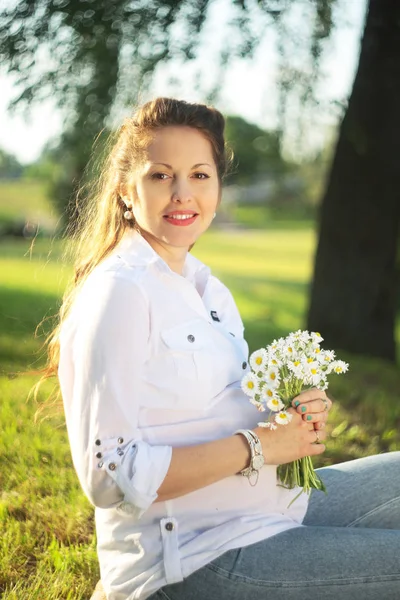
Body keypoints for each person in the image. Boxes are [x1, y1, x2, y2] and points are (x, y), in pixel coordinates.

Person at [42, 98, 400, 600]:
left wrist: (288, 414)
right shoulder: (120, 292)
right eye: (161, 176)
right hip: (197, 557)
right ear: (127, 190)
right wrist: (259, 446)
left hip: (277, 506)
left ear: (217, 185)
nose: (183, 194)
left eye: (200, 175)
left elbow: (207, 405)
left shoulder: (207, 289)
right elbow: (110, 476)